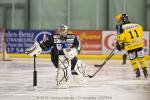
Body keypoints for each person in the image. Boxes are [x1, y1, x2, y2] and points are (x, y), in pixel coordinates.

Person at [25, 24, 87, 88]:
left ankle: (76, 74)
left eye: (63, 30)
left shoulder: (72, 37)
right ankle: (62, 79)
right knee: (64, 64)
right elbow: (44, 45)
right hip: (58, 58)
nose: (62, 31)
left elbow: (77, 46)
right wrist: (37, 49)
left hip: (70, 57)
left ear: (66, 31)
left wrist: (74, 50)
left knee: (80, 67)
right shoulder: (53, 38)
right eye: (60, 30)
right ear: (58, 31)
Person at [115, 14, 148, 79]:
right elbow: (141, 33)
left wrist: (119, 44)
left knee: (133, 61)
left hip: (130, 47)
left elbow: (121, 39)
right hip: (139, 45)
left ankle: (138, 73)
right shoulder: (137, 25)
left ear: (121, 20)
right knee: (142, 60)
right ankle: (145, 72)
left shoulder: (122, 27)